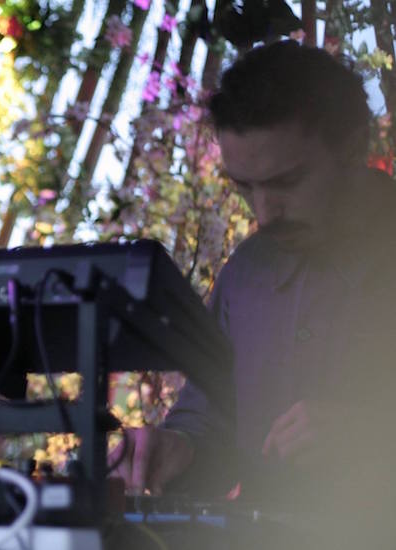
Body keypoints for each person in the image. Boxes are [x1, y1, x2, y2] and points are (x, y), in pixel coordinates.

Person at [112, 40, 396, 545]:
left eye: (288, 182)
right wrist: (179, 449)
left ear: (353, 147)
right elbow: (212, 419)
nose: (264, 214)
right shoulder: (245, 273)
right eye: (244, 187)